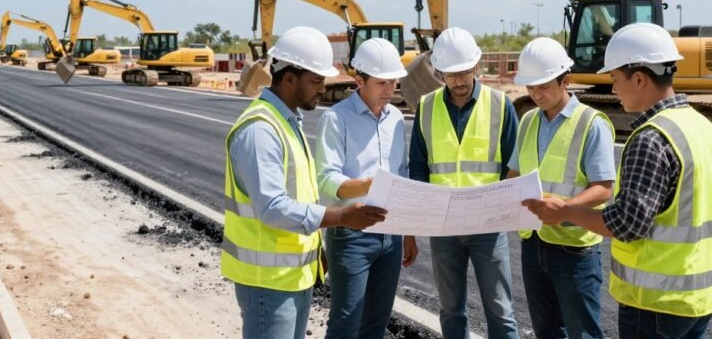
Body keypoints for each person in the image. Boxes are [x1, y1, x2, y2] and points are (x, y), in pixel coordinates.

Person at [524, 23, 712, 339]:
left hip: (656, 300)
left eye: (616, 79)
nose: (614, 89)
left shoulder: (652, 138)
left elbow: (627, 224)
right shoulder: (705, 128)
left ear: (640, 79)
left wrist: (564, 211)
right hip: (700, 296)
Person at [223, 26, 388, 339]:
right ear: (289, 78)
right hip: (266, 282)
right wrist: (340, 217)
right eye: (315, 80)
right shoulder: (261, 130)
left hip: (291, 275)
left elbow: (300, 196)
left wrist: (315, 248)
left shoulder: (287, 122)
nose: (323, 88)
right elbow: (272, 208)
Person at [408, 27, 520, 339]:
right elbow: (418, 166)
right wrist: (416, 224)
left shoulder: (500, 105)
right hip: (445, 229)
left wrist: (500, 210)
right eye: (450, 74)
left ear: (476, 66)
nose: (458, 81)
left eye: (464, 72)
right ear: (439, 72)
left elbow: (514, 166)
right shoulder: (426, 107)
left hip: (488, 228)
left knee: (501, 310)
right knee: (451, 310)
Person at [507, 38, 615, 339]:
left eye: (543, 86)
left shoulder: (591, 123)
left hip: (574, 248)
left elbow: (604, 188)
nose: (536, 94)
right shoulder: (528, 120)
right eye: (530, 87)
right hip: (534, 243)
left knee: (582, 333)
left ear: (565, 80)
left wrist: (565, 208)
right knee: (546, 331)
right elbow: (514, 173)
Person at [315, 38, 417, 339]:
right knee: (346, 323)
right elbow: (326, 180)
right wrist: (369, 185)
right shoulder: (336, 119)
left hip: (391, 235)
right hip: (351, 236)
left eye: (394, 83)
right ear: (359, 80)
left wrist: (408, 231)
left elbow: (402, 174)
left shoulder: (396, 119)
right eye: (382, 83)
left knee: (376, 323)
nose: (390, 90)